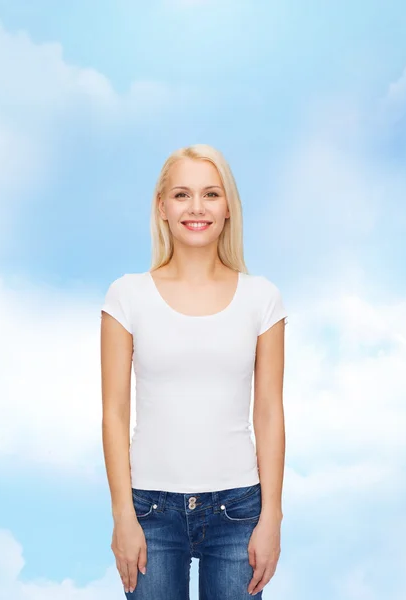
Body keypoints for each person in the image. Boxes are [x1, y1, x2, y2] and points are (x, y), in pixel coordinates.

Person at [100, 144, 287, 599]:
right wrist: (123, 516)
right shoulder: (127, 297)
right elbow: (114, 414)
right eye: (182, 195)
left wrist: (271, 519)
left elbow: (269, 413)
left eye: (211, 194)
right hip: (150, 510)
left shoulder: (262, 299)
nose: (197, 208)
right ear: (162, 207)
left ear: (228, 208)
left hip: (238, 509)